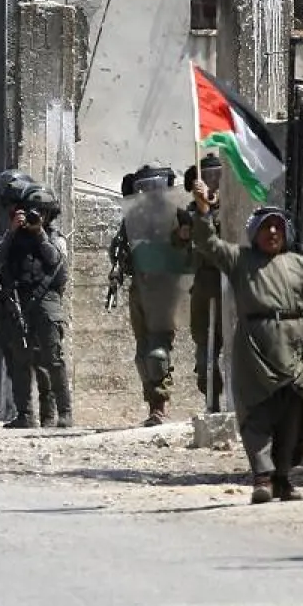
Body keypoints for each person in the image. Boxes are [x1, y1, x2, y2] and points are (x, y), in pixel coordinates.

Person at [190, 182, 303, 504]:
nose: (272, 231)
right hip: (255, 351)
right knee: (256, 415)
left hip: (297, 350)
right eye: (265, 227)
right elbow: (207, 244)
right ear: (254, 233)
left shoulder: (298, 265)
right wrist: (204, 210)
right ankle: (262, 478)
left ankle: (283, 478)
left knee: (293, 415)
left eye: (278, 226)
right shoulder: (239, 260)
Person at [0, 182, 72, 428]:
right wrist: (12, 232)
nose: (38, 216)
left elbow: (58, 266)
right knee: (19, 360)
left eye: (43, 212)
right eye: (33, 211)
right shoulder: (14, 237)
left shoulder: (55, 238)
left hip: (47, 301)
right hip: (18, 299)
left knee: (52, 358)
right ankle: (25, 415)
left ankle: (64, 413)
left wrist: (39, 234)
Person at [114, 164, 182, 426]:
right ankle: (152, 405)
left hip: (163, 289)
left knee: (157, 352)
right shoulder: (134, 219)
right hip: (139, 287)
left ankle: (161, 407)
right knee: (143, 353)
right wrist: (116, 269)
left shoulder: (173, 216)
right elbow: (119, 249)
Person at [174, 153, 226, 410]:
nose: (212, 182)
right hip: (205, 284)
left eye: (217, 176)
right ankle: (212, 400)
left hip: (230, 282)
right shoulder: (191, 212)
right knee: (205, 348)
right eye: (207, 177)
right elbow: (177, 244)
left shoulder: (229, 207)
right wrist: (182, 234)